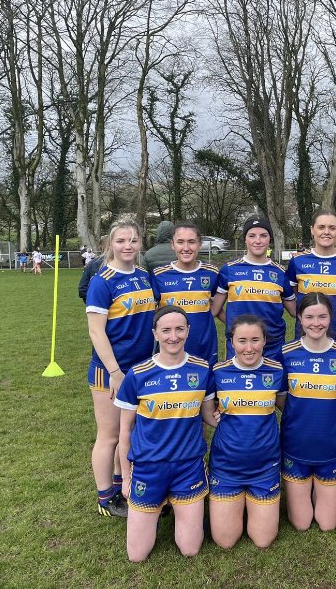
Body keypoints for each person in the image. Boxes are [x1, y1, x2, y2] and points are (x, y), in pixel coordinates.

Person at [115, 306, 216, 561]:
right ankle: (155, 507)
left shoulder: (202, 370)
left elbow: (207, 416)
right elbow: (124, 432)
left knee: (190, 549)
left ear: (188, 331)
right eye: (166, 330)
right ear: (155, 334)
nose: (174, 336)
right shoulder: (137, 375)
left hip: (188, 467)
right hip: (148, 467)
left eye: (180, 329)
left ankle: (174, 506)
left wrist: (241, 414)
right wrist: (126, 479)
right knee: (137, 555)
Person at [85, 219, 157, 517]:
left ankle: (120, 484)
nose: (128, 246)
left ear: (140, 243)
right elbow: (96, 332)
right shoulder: (102, 281)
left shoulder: (143, 275)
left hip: (140, 371)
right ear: (109, 245)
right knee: (110, 434)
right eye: (121, 241)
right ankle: (105, 497)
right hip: (111, 372)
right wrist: (115, 372)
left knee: (130, 431)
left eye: (133, 241)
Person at [202, 315, 286, 549]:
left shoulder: (276, 370)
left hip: (265, 466)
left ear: (264, 341)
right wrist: (222, 420)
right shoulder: (218, 372)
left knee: (263, 540)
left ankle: (254, 505)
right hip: (227, 466)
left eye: (255, 340)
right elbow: (208, 413)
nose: (249, 348)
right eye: (242, 341)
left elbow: (284, 405)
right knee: (225, 541)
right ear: (231, 343)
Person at [280, 293, 336, 532]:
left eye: (322, 316)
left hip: (331, 447)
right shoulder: (286, 354)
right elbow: (281, 399)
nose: (316, 323)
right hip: (296, 446)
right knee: (301, 524)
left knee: (327, 524)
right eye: (310, 317)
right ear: (299, 318)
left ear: (330, 318)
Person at [210, 217, 295, 363]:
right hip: (239, 346)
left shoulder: (280, 272)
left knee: (275, 386)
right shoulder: (230, 270)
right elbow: (214, 309)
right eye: (252, 236)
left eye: (263, 235)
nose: (258, 240)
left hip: (273, 345)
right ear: (245, 240)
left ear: (270, 239)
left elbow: (295, 311)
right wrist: (237, 326)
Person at [285, 209, 336, 348]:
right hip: (306, 335)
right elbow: (294, 294)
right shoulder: (298, 261)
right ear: (312, 230)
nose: (326, 232)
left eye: (332, 228)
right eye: (321, 227)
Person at [151, 221, 221, 366]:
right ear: (172, 245)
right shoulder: (158, 275)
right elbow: (150, 312)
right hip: (171, 350)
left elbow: (216, 305)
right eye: (180, 242)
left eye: (191, 242)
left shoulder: (211, 273)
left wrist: (238, 327)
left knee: (207, 388)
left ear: (200, 244)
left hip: (205, 348)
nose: (186, 248)